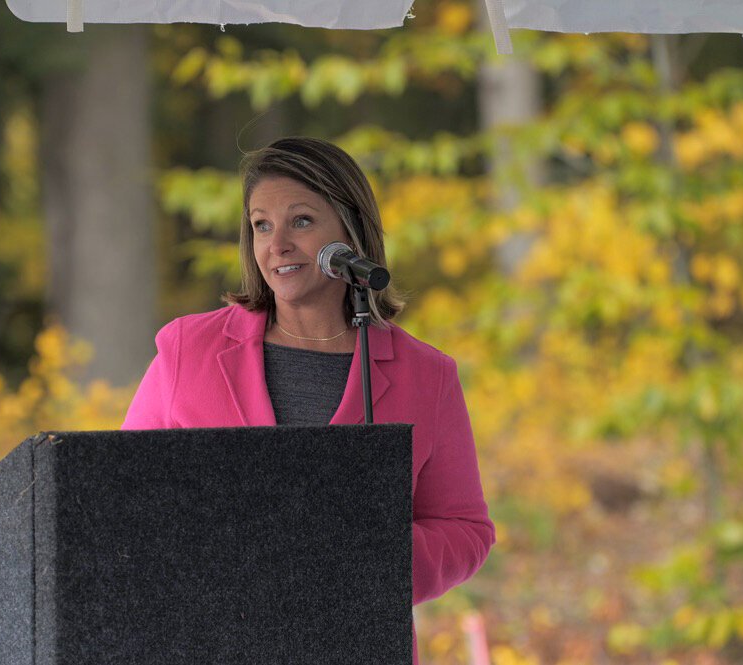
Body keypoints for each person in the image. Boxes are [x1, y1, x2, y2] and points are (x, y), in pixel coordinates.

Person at [122, 136, 494, 663]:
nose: (277, 245)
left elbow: (465, 529)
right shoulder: (189, 351)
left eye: (300, 221)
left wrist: (369, 563)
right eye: (261, 225)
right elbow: (121, 504)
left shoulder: (427, 376)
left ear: (351, 231)